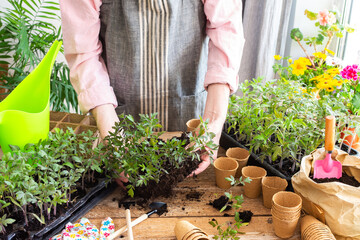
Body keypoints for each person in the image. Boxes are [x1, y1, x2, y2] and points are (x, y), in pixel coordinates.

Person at [59, 0, 244, 178]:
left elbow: (226, 29)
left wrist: (214, 119)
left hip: (188, 106)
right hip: (116, 116)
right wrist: (112, 137)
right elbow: (84, 52)